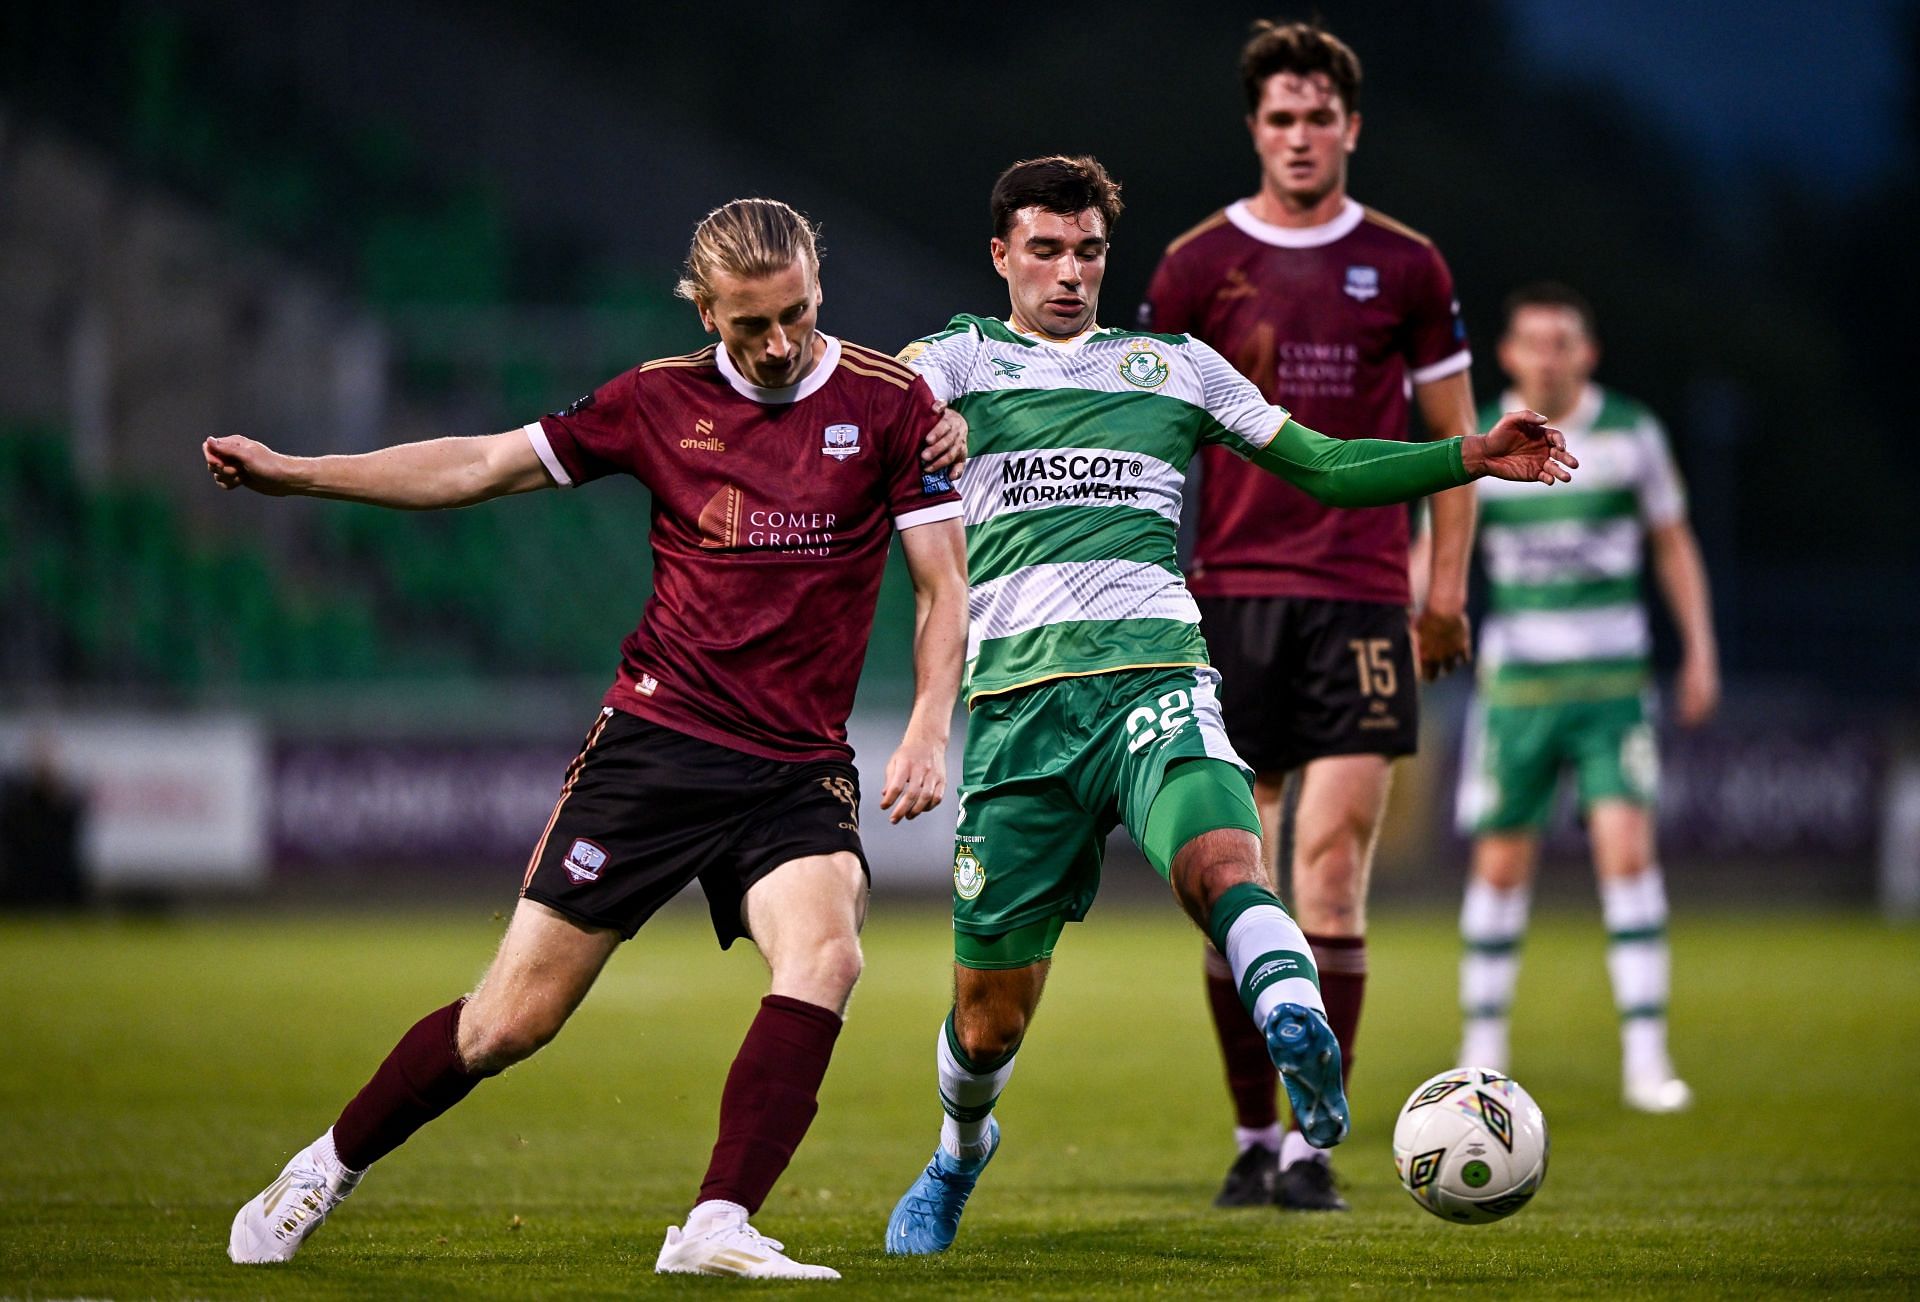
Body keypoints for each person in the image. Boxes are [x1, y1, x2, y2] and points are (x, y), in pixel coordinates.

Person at [207, 198, 971, 1281]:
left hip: (796, 766)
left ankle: (715, 1223)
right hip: (657, 748)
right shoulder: (655, 401)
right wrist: (301, 471)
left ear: (818, 289)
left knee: (829, 953)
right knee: (510, 1023)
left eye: (796, 314)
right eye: (748, 323)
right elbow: (477, 466)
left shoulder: (891, 405)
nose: (777, 342)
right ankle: (325, 1166)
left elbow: (945, 588)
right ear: (704, 307)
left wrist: (932, 726)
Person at [882, 154, 1574, 1256]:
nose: (1070, 272)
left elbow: (1331, 467)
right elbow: (855, 418)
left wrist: (1469, 455)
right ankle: (959, 1152)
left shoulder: (1178, 368)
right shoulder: (950, 361)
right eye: (1047, 250)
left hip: (1159, 680)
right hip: (1018, 714)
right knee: (987, 1017)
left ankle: (1292, 1020)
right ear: (1003, 255)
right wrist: (915, 429)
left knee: (1227, 869)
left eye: (1090, 251)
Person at [1140, 19, 1481, 1212]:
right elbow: (1148, 439)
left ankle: (1310, 1147)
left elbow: (1454, 435)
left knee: (1330, 871)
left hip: (1359, 601)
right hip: (1225, 599)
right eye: (1279, 118)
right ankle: (1250, 1135)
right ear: (1255, 130)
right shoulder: (1191, 267)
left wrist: (1441, 590)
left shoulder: (1409, 266)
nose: (1299, 136)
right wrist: (1151, 572)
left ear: (1351, 128)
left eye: (1318, 117)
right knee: (1239, 877)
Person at [1455, 282, 1717, 1114]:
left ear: (1586, 353)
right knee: (1499, 864)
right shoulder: (1487, 442)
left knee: (1628, 855)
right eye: (1532, 341)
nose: (1547, 355)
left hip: (1612, 687)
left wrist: (1701, 652)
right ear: (1508, 353)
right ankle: (1482, 1047)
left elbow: (1674, 546)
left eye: (1562, 341)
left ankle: (1646, 1057)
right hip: (1518, 687)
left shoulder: (1634, 435)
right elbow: (1445, 553)